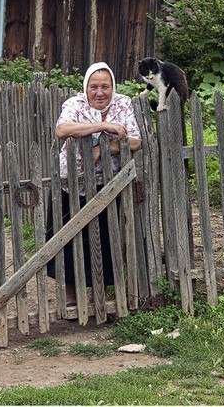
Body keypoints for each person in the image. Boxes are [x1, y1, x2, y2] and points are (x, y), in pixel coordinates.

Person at [49, 62, 142, 306]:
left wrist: (105, 148)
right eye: (94, 87)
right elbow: (62, 130)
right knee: (68, 235)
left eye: (105, 86)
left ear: (112, 87)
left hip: (107, 182)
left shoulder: (123, 104)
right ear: (86, 88)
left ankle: (97, 292)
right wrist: (102, 126)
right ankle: (70, 294)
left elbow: (135, 141)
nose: (99, 92)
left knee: (101, 236)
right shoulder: (74, 104)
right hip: (71, 179)